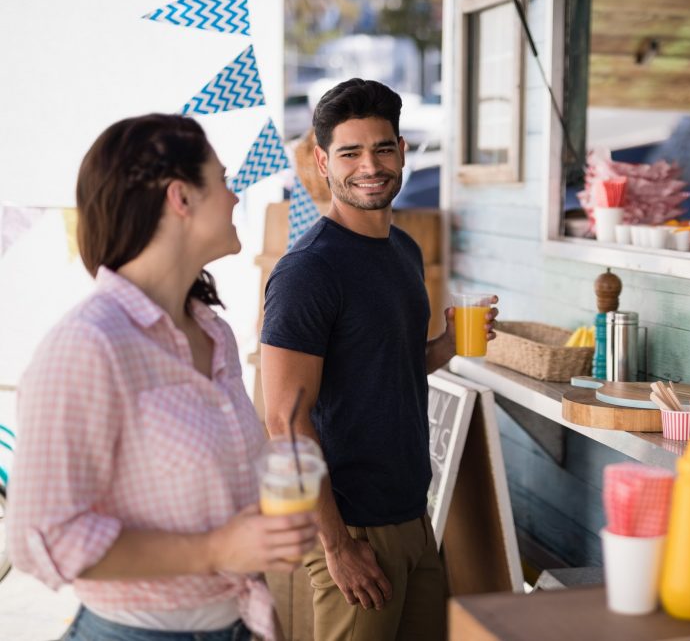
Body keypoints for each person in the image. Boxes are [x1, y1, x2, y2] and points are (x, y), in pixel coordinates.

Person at [7, 114, 318, 641]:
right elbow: (42, 538)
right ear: (181, 198)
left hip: (241, 624)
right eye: (222, 180)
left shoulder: (212, 331)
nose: (236, 196)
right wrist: (218, 550)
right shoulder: (88, 346)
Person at [259, 78, 498, 641]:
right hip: (351, 526)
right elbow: (284, 421)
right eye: (350, 152)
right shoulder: (307, 272)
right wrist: (337, 545)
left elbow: (392, 367)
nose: (370, 165)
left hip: (413, 513)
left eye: (382, 148)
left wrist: (450, 344)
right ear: (322, 161)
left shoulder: (403, 250)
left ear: (402, 152)